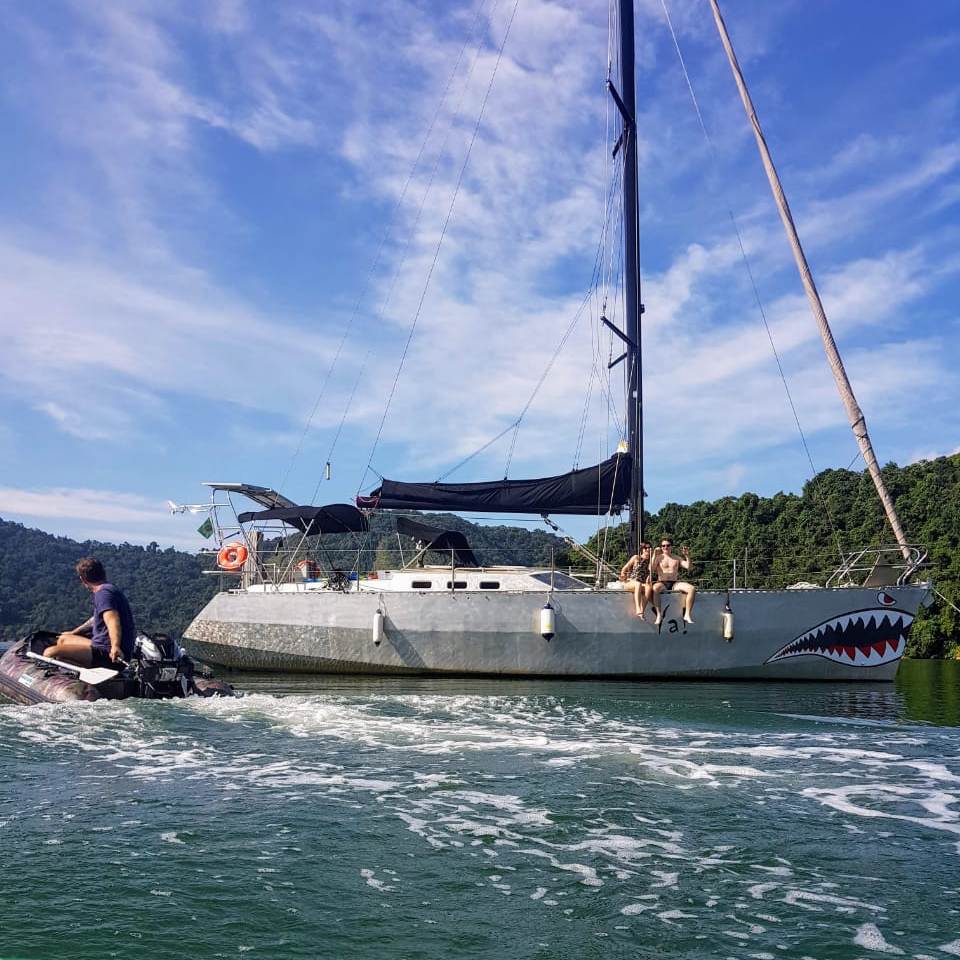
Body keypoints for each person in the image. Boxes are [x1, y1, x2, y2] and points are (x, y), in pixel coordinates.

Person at [43, 558, 137, 668]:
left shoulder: (103, 594)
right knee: (64, 639)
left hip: (109, 653)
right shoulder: (109, 589)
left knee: (50, 653)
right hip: (102, 645)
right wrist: (74, 632)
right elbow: (95, 620)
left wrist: (115, 646)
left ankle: (86, 680)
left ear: (82, 579)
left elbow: (112, 620)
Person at [650, 538, 696, 625]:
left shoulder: (676, 558)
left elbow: (689, 567)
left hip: (674, 582)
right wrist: (654, 555)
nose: (665, 547)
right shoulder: (658, 558)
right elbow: (651, 569)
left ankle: (687, 614)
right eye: (663, 546)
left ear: (671, 547)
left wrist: (687, 556)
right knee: (655, 588)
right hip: (662, 582)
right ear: (661, 547)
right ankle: (659, 615)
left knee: (691, 589)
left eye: (667, 545)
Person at [619, 543, 653, 618]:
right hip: (631, 582)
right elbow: (624, 569)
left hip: (641, 583)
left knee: (648, 587)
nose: (647, 549)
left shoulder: (651, 561)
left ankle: (642, 610)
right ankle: (638, 608)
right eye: (645, 548)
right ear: (642, 549)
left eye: (649, 548)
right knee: (638, 584)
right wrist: (623, 575)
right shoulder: (636, 557)